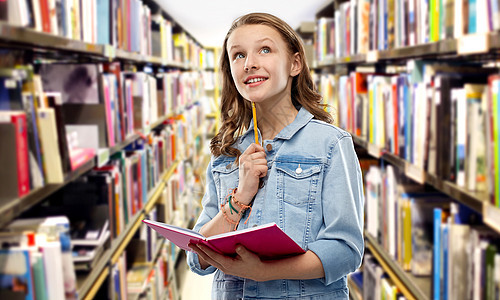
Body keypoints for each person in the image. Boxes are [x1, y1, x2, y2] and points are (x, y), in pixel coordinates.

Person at [187, 12, 364, 299]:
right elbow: (198, 258)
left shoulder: (331, 144)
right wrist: (240, 197)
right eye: (238, 55)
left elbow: (346, 251)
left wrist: (265, 272)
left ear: (294, 63)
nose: (250, 63)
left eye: (265, 50)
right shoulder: (225, 153)